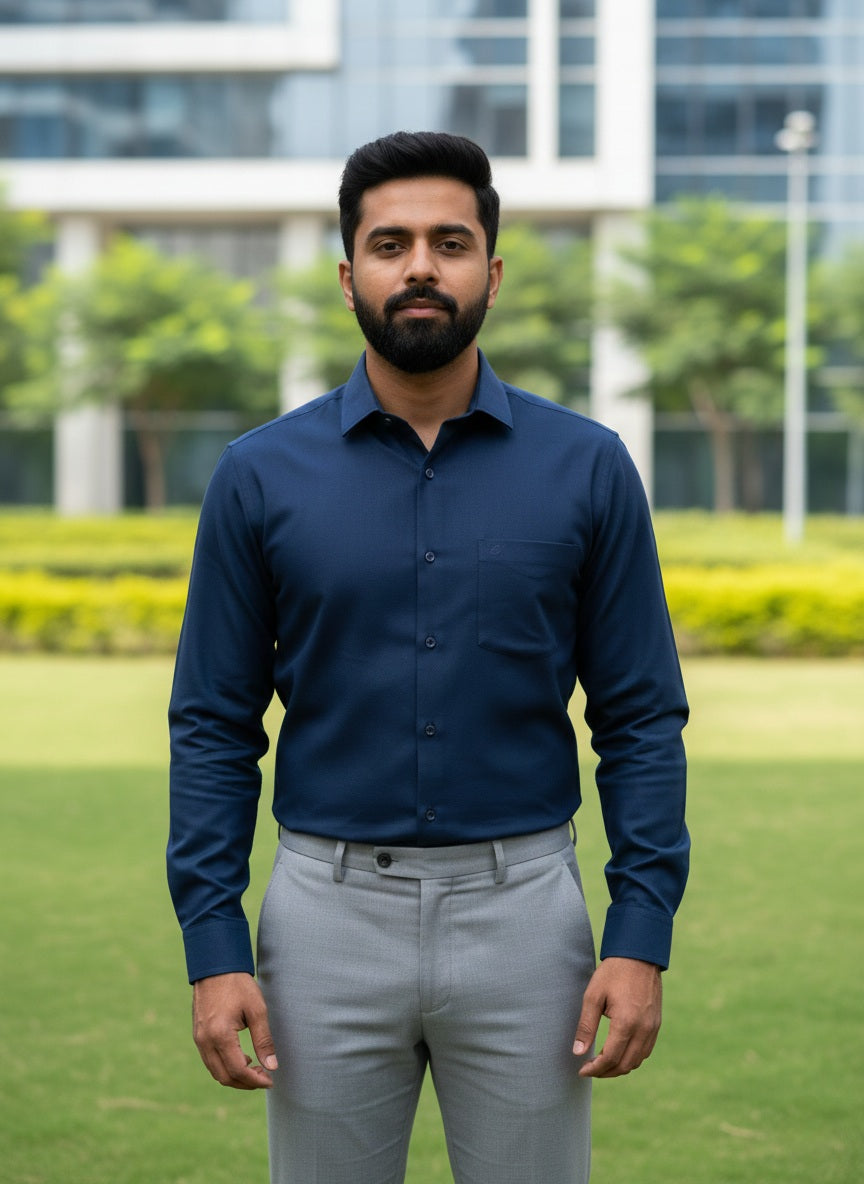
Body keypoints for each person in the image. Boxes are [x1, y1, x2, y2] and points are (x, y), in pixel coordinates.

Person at [167, 130, 689, 1184]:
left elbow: (639, 717)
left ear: (490, 271)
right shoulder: (257, 476)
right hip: (323, 919)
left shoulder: (588, 467)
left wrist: (639, 932)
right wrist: (214, 944)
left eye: (449, 242)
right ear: (348, 270)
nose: (419, 267)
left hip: (528, 917)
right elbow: (214, 724)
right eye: (389, 242)